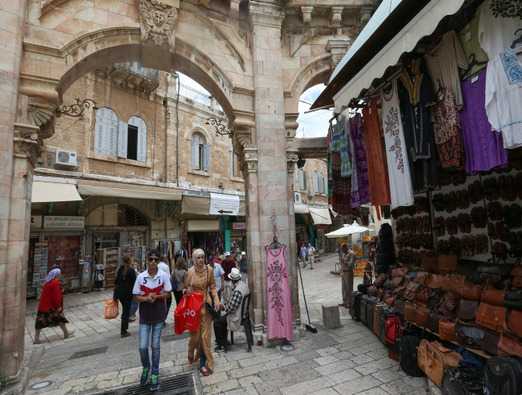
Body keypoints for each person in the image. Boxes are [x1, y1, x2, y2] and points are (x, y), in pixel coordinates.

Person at [133, 251, 172, 391]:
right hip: (144, 316)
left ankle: (155, 372)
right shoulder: (141, 277)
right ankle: (146, 368)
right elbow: (136, 296)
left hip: (158, 315)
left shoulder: (163, 276)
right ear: (147, 261)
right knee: (142, 347)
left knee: (155, 346)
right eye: (151, 259)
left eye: (156, 259)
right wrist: (146, 298)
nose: (153, 261)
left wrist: (157, 296)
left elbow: (168, 293)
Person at [184, 248, 222, 376]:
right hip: (194, 308)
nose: (201, 260)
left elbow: (213, 287)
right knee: (195, 338)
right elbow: (185, 289)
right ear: (194, 259)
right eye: (198, 258)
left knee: (206, 337)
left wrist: (216, 299)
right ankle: (191, 351)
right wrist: (187, 292)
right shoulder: (189, 272)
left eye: (202, 257)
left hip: (206, 306)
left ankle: (207, 363)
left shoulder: (209, 270)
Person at [34, 268, 72, 344]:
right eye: (60, 274)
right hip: (51, 307)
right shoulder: (55, 283)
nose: (61, 275)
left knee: (39, 323)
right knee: (60, 320)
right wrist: (58, 306)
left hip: (43, 306)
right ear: (57, 275)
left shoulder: (47, 283)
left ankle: (36, 339)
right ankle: (66, 334)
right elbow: (56, 296)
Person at [113, 255, 137, 338]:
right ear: (130, 261)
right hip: (128, 294)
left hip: (120, 294)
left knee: (125, 311)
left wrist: (115, 296)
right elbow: (135, 283)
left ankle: (124, 329)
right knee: (126, 312)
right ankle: (123, 331)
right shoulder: (131, 270)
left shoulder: (120, 269)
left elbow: (116, 282)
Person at [223, 268, 250, 336]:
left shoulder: (237, 291)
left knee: (218, 321)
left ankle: (222, 343)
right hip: (243, 312)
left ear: (233, 280)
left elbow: (231, 308)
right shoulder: (243, 285)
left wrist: (224, 309)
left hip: (237, 316)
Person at [339, 244, 356, 309]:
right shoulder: (343, 254)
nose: (342, 251)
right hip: (343, 272)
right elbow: (342, 263)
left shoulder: (352, 254)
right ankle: (344, 302)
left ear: (345, 248)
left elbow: (351, 264)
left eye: (342, 249)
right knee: (343, 288)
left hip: (348, 272)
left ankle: (349, 303)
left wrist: (344, 261)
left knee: (349, 288)